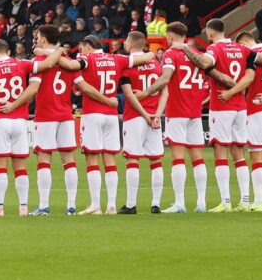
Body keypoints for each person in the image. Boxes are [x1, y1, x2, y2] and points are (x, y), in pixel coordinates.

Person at [0, 25, 118, 216]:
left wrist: (14, 105)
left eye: (38, 37)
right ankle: (71, 206)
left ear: (44, 40)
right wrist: (109, 101)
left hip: (46, 116)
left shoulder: (40, 60)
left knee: (44, 159)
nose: (36, 40)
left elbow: (33, 89)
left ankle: (44, 206)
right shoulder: (68, 61)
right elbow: (84, 87)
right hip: (66, 115)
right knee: (68, 160)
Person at [171, 18, 262, 213]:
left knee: (220, 152)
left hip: (222, 105)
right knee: (239, 153)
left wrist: (185, 48)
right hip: (241, 107)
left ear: (210, 33)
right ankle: (246, 201)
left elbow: (205, 62)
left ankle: (226, 202)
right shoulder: (241, 49)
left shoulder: (215, 49)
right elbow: (261, 61)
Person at [56, 35, 154, 215]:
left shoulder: (87, 58)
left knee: (92, 159)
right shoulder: (116, 58)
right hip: (111, 116)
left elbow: (70, 66)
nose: (80, 51)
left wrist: (57, 53)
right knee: (110, 160)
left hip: (93, 113)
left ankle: (95, 205)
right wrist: (151, 54)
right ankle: (111, 205)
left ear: (87, 46)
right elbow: (146, 57)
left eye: (81, 47)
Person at [0, 39, 64, 217]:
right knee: (21, 166)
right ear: (8, 51)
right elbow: (48, 63)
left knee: (0, 166)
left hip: (0, 119)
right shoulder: (21, 63)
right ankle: (23, 207)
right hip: (20, 121)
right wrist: (59, 50)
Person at [143, 22, 208, 213]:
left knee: (178, 158)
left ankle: (180, 203)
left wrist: (145, 93)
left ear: (170, 37)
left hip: (177, 110)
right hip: (195, 111)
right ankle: (201, 202)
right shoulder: (197, 54)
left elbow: (165, 79)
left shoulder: (172, 54)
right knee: (198, 158)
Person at [117, 31, 168, 214]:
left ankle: (131, 204)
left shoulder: (126, 66)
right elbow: (165, 92)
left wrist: (146, 116)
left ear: (130, 45)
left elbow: (129, 95)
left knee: (133, 158)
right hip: (154, 116)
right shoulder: (156, 64)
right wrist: (157, 115)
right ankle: (156, 204)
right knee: (155, 160)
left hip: (135, 117)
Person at [236, 32, 262, 211]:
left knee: (256, 156)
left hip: (256, 109)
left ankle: (259, 201)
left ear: (244, 43)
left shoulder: (249, 55)